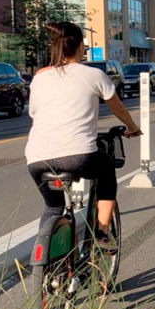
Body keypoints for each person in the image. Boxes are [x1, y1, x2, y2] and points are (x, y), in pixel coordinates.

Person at [26, 22, 142, 251]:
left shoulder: (39, 77)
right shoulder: (94, 74)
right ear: (80, 47)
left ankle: (49, 264)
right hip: (79, 155)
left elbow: (34, 113)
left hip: (37, 158)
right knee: (107, 169)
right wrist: (132, 127)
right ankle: (102, 232)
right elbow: (118, 109)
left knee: (53, 207)